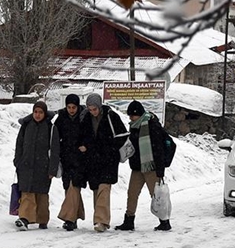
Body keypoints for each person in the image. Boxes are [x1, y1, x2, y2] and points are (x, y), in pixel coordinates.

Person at [115, 100, 171, 232]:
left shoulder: (152, 125)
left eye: (132, 115)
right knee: (132, 193)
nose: (130, 118)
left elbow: (158, 148)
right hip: (137, 166)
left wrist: (160, 169)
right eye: (129, 116)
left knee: (156, 195)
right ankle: (129, 220)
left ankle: (164, 221)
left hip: (151, 167)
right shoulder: (134, 126)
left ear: (139, 114)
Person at [77, 93, 126, 232]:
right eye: (90, 109)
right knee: (96, 190)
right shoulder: (85, 118)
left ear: (99, 106)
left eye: (94, 109)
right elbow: (82, 136)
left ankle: (101, 220)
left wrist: (109, 149)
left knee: (104, 189)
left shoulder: (111, 116)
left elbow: (121, 135)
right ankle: (99, 219)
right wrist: (84, 145)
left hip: (108, 160)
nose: (92, 112)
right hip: (92, 160)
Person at [13, 100, 60, 230]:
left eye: (40, 112)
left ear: (45, 113)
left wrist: (52, 169)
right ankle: (24, 219)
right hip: (26, 165)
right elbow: (19, 145)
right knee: (27, 193)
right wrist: (18, 161)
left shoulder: (51, 128)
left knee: (42, 195)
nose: (37, 115)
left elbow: (55, 150)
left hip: (43, 166)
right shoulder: (26, 126)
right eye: (35, 112)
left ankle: (42, 219)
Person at [55, 94, 87, 231]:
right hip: (66, 157)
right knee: (68, 187)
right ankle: (75, 215)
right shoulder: (61, 118)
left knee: (75, 186)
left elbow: (89, 134)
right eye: (69, 107)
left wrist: (85, 146)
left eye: (74, 107)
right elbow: (56, 136)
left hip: (80, 158)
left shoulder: (84, 117)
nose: (71, 110)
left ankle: (69, 218)